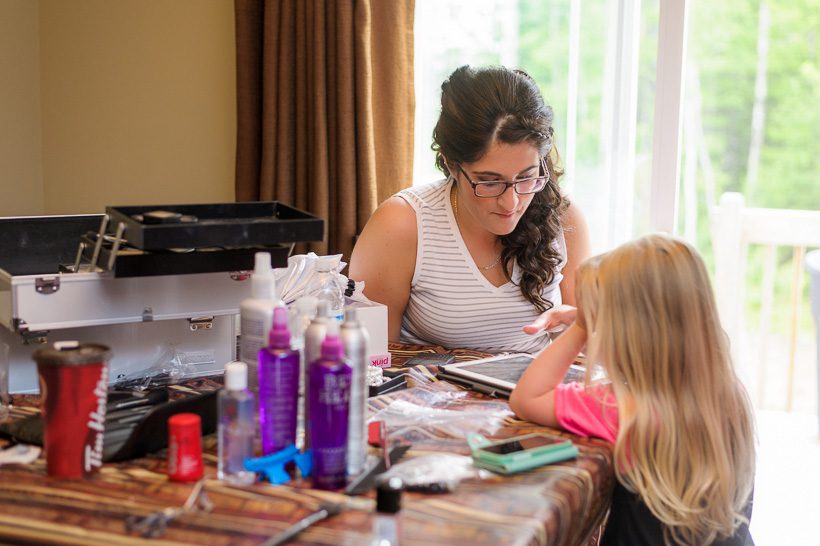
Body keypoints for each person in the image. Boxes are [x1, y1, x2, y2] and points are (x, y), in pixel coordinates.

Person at [509, 234, 756, 546]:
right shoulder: (729, 393)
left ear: (626, 336)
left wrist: (581, 327)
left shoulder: (622, 408)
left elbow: (526, 398)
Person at [349, 65, 590, 353]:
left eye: (526, 177)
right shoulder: (403, 224)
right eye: (489, 182)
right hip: (429, 394)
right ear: (451, 164)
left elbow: (582, 343)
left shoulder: (563, 216)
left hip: (534, 392)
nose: (511, 203)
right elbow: (371, 356)